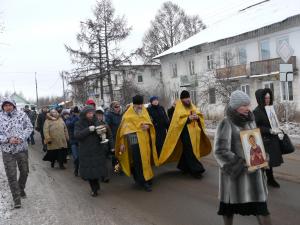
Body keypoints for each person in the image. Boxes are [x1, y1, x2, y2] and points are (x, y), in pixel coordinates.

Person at [214, 90, 271, 225]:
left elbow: (256, 144)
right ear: (235, 106)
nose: (248, 108)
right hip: (235, 181)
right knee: (228, 211)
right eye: (244, 105)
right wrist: (242, 164)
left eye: (248, 105)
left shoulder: (250, 121)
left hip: (254, 178)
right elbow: (220, 151)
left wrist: (263, 157)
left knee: (262, 211)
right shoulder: (226, 123)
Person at [159, 90, 212, 178]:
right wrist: (187, 119)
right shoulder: (178, 108)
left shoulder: (192, 106)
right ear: (182, 99)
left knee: (188, 150)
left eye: (188, 97)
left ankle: (183, 166)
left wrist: (197, 117)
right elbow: (176, 121)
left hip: (195, 133)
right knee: (190, 150)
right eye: (185, 98)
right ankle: (197, 171)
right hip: (185, 133)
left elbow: (199, 115)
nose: (188, 100)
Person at [115, 95, 159, 192]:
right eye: (138, 105)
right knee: (138, 159)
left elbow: (149, 122)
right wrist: (122, 143)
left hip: (144, 138)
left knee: (146, 158)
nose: (140, 106)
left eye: (141, 104)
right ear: (133, 105)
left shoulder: (144, 110)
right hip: (133, 137)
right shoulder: (127, 115)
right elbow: (123, 130)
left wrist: (148, 126)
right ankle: (142, 181)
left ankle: (148, 177)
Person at [0, 97, 33, 208]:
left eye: (9, 105)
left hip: (21, 149)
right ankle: (16, 199)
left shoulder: (22, 115)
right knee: (11, 175)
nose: (7, 107)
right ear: (2, 107)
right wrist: (8, 139)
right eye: (5, 105)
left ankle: (21, 188)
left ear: (13, 105)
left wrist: (21, 138)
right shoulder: (0, 117)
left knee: (25, 171)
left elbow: (29, 127)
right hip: (7, 151)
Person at [74, 106, 107, 197]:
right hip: (86, 151)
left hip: (97, 149)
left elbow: (103, 134)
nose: (91, 114)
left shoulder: (97, 121)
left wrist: (102, 132)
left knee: (96, 170)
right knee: (89, 172)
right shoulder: (79, 123)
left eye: (92, 113)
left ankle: (97, 185)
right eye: (89, 113)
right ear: (84, 114)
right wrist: (88, 130)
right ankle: (94, 189)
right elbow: (77, 136)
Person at [253, 88, 283, 188]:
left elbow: (273, 122)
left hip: (272, 139)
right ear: (260, 99)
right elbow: (256, 127)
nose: (268, 100)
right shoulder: (256, 112)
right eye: (265, 98)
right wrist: (269, 130)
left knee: (270, 161)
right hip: (264, 140)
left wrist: (279, 128)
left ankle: (270, 179)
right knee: (264, 161)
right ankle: (266, 179)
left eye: (269, 98)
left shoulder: (270, 108)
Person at [95, 106, 114, 183]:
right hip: (95, 146)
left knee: (104, 161)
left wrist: (112, 146)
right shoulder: (93, 124)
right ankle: (100, 175)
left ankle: (105, 176)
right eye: (98, 115)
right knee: (99, 162)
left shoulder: (105, 124)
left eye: (101, 115)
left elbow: (110, 135)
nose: (99, 117)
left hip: (104, 146)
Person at [105, 101, 122, 170]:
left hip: (121, 135)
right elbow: (107, 126)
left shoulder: (121, 114)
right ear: (112, 108)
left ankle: (122, 166)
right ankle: (116, 167)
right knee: (115, 153)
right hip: (113, 136)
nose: (118, 108)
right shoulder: (109, 115)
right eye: (116, 106)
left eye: (118, 106)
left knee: (122, 151)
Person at [65, 106, 80, 176]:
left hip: (81, 140)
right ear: (73, 112)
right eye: (75, 112)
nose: (76, 113)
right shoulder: (70, 118)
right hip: (73, 141)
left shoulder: (81, 118)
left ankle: (81, 170)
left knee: (82, 157)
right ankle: (76, 169)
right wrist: (75, 119)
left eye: (77, 112)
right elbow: (68, 124)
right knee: (76, 157)